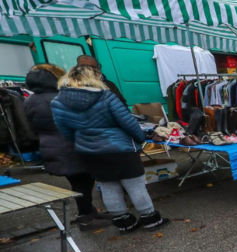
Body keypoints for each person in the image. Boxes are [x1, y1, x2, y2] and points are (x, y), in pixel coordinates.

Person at [51, 65, 170, 234]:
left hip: (90, 152)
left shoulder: (57, 102)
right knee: (135, 186)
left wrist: (83, 144)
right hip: (121, 149)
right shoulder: (106, 97)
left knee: (108, 187)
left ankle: (123, 223)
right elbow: (128, 123)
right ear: (94, 78)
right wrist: (142, 137)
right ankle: (151, 219)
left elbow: (65, 131)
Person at [23, 64, 113, 231]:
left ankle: (89, 211)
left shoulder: (30, 100)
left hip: (51, 147)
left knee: (78, 182)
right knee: (83, 182)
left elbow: (31, 129)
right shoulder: (61, 97)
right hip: (72, 146)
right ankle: (86, 218)